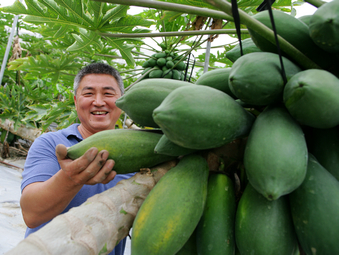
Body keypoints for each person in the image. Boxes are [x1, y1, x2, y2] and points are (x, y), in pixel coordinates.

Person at [20, 62, 134, 255]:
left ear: (122, 101)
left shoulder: (140, 156)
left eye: (108, 94)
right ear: (75, 100)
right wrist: (70, 178)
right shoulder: (52, 144)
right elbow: (31, 214)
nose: (98, 102)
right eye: (88, 94)